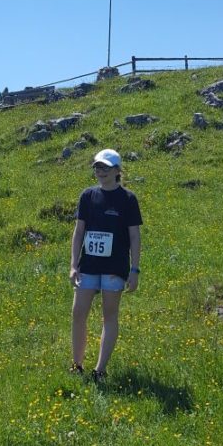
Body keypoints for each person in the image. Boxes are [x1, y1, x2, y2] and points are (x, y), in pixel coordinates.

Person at [69, 148, 142, 381]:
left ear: (117, 170)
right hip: (88, 265)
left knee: (109, 316)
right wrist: (73, 265)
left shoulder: (128, 199)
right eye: (97, 167)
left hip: (114, 268)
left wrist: (134, 269)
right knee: (78, 313)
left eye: (106, 168)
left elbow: (134, 236)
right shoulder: (87, 196)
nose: (100, 172)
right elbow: (78, 232)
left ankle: (99, 370)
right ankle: (77, 365)